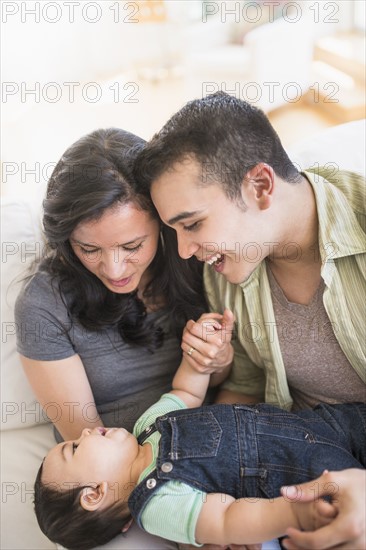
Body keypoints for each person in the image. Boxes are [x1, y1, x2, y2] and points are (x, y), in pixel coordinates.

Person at [134, 92, 366, 549]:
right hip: (305, 470)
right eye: (174, 231)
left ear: (260, 186)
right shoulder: (228, 272)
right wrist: (220, 497)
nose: (183, 251)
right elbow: (246, 388)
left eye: (193, 224)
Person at [14, 128, 234, 549]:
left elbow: (230, 382)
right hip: (130, 485)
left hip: (212, 441)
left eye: (132, 245)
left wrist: (216, 358)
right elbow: (95, 447)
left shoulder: (192, 257)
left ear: (162, 222)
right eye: (89, 249)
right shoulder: (44, 305)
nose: (114, 269)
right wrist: (197, 523)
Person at [34, 344, 365, 550]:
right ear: (94, 493)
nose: (86, 432)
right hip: (310, 477)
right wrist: (293, 513)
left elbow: (186, 394)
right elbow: (226, 519)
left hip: (321, 424)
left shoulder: (146, 428)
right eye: (74, 448)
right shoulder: (156, 505)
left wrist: (198, 360)